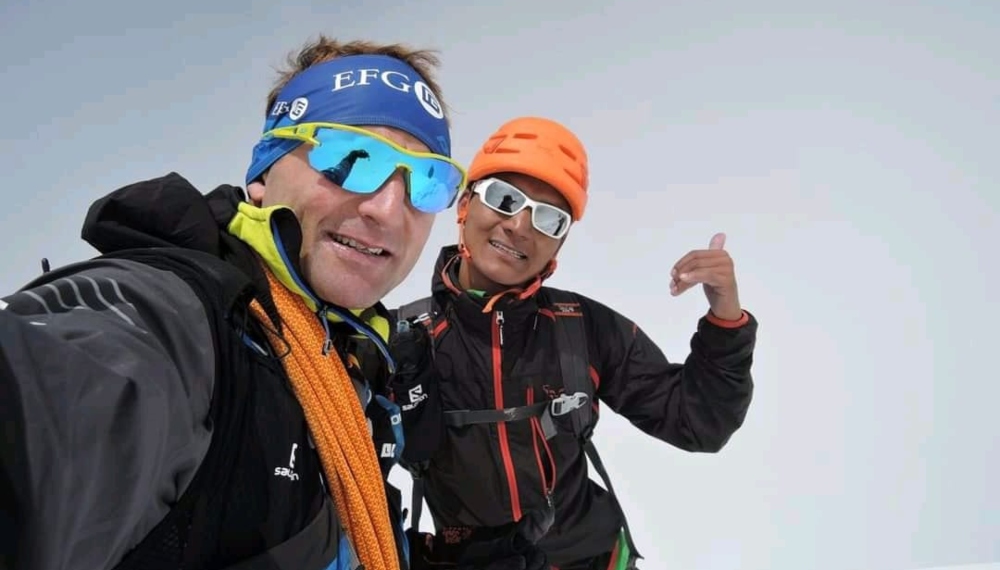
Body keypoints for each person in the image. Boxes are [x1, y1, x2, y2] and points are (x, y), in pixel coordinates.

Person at [0, 38, 547, 570]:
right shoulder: (188, 324)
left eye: (425, 181)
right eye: (352, 158)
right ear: (264, 172)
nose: (387, 207)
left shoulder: (359, 358)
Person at [389, 116, 758, 570]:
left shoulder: (583, 328)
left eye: (549, 218)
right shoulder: (397, 343)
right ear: (465, 205)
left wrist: (725, 318)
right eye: (504, 199)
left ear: (559, 243)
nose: (520, 226)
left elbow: (700, 423)